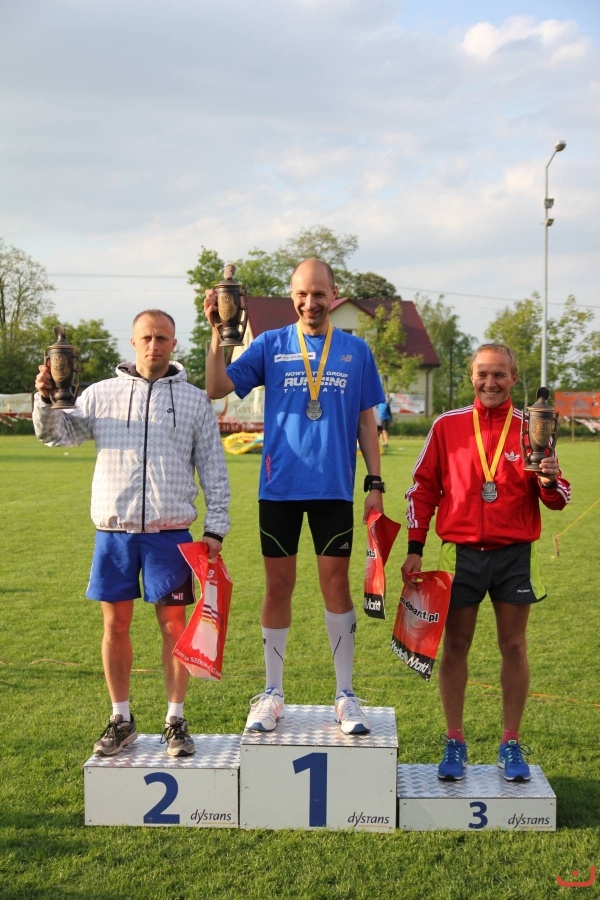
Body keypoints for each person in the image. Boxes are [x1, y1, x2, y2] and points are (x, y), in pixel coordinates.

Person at [33, 310, 230, 758]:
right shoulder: (100, 394)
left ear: (174, 343)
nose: (153, 345)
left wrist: (216, 527)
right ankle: (120, 718)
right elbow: (58, 436)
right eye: (146, 338)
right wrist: (45, 398)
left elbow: (214, 469)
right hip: (114, 532)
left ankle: (175, 720)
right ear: (133, 342)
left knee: (174, 627)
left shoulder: (194, 400)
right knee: (115, 624)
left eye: (162, 338)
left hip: (170, 533)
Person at [204, 258, 385, 735]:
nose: (311, 303)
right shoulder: (270, 344)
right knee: (278, 587)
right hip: (279, 488)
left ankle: (345, 695)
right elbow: (217, 387)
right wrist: (218, 334)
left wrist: (375, 482)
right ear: (292, 296)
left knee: (336, 586)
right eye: (302, 294)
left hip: (333, 490)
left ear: (334, 295)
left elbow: (366, 420)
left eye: (319, 294)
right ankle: (272, 692)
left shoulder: (356, 351)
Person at [401, 343, 570, 782]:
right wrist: (415, 546)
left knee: (513, 646)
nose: (490, 383)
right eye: (483, 374)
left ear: (514, 378)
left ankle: (510, 742)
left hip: (514, 555)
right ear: (472, 377)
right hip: (460, 554)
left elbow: (558, 497)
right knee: (456, 646)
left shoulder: (533, 426)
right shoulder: (447, 425)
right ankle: (454, 740)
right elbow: (422, 489)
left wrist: (548, 481)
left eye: (499, 374)